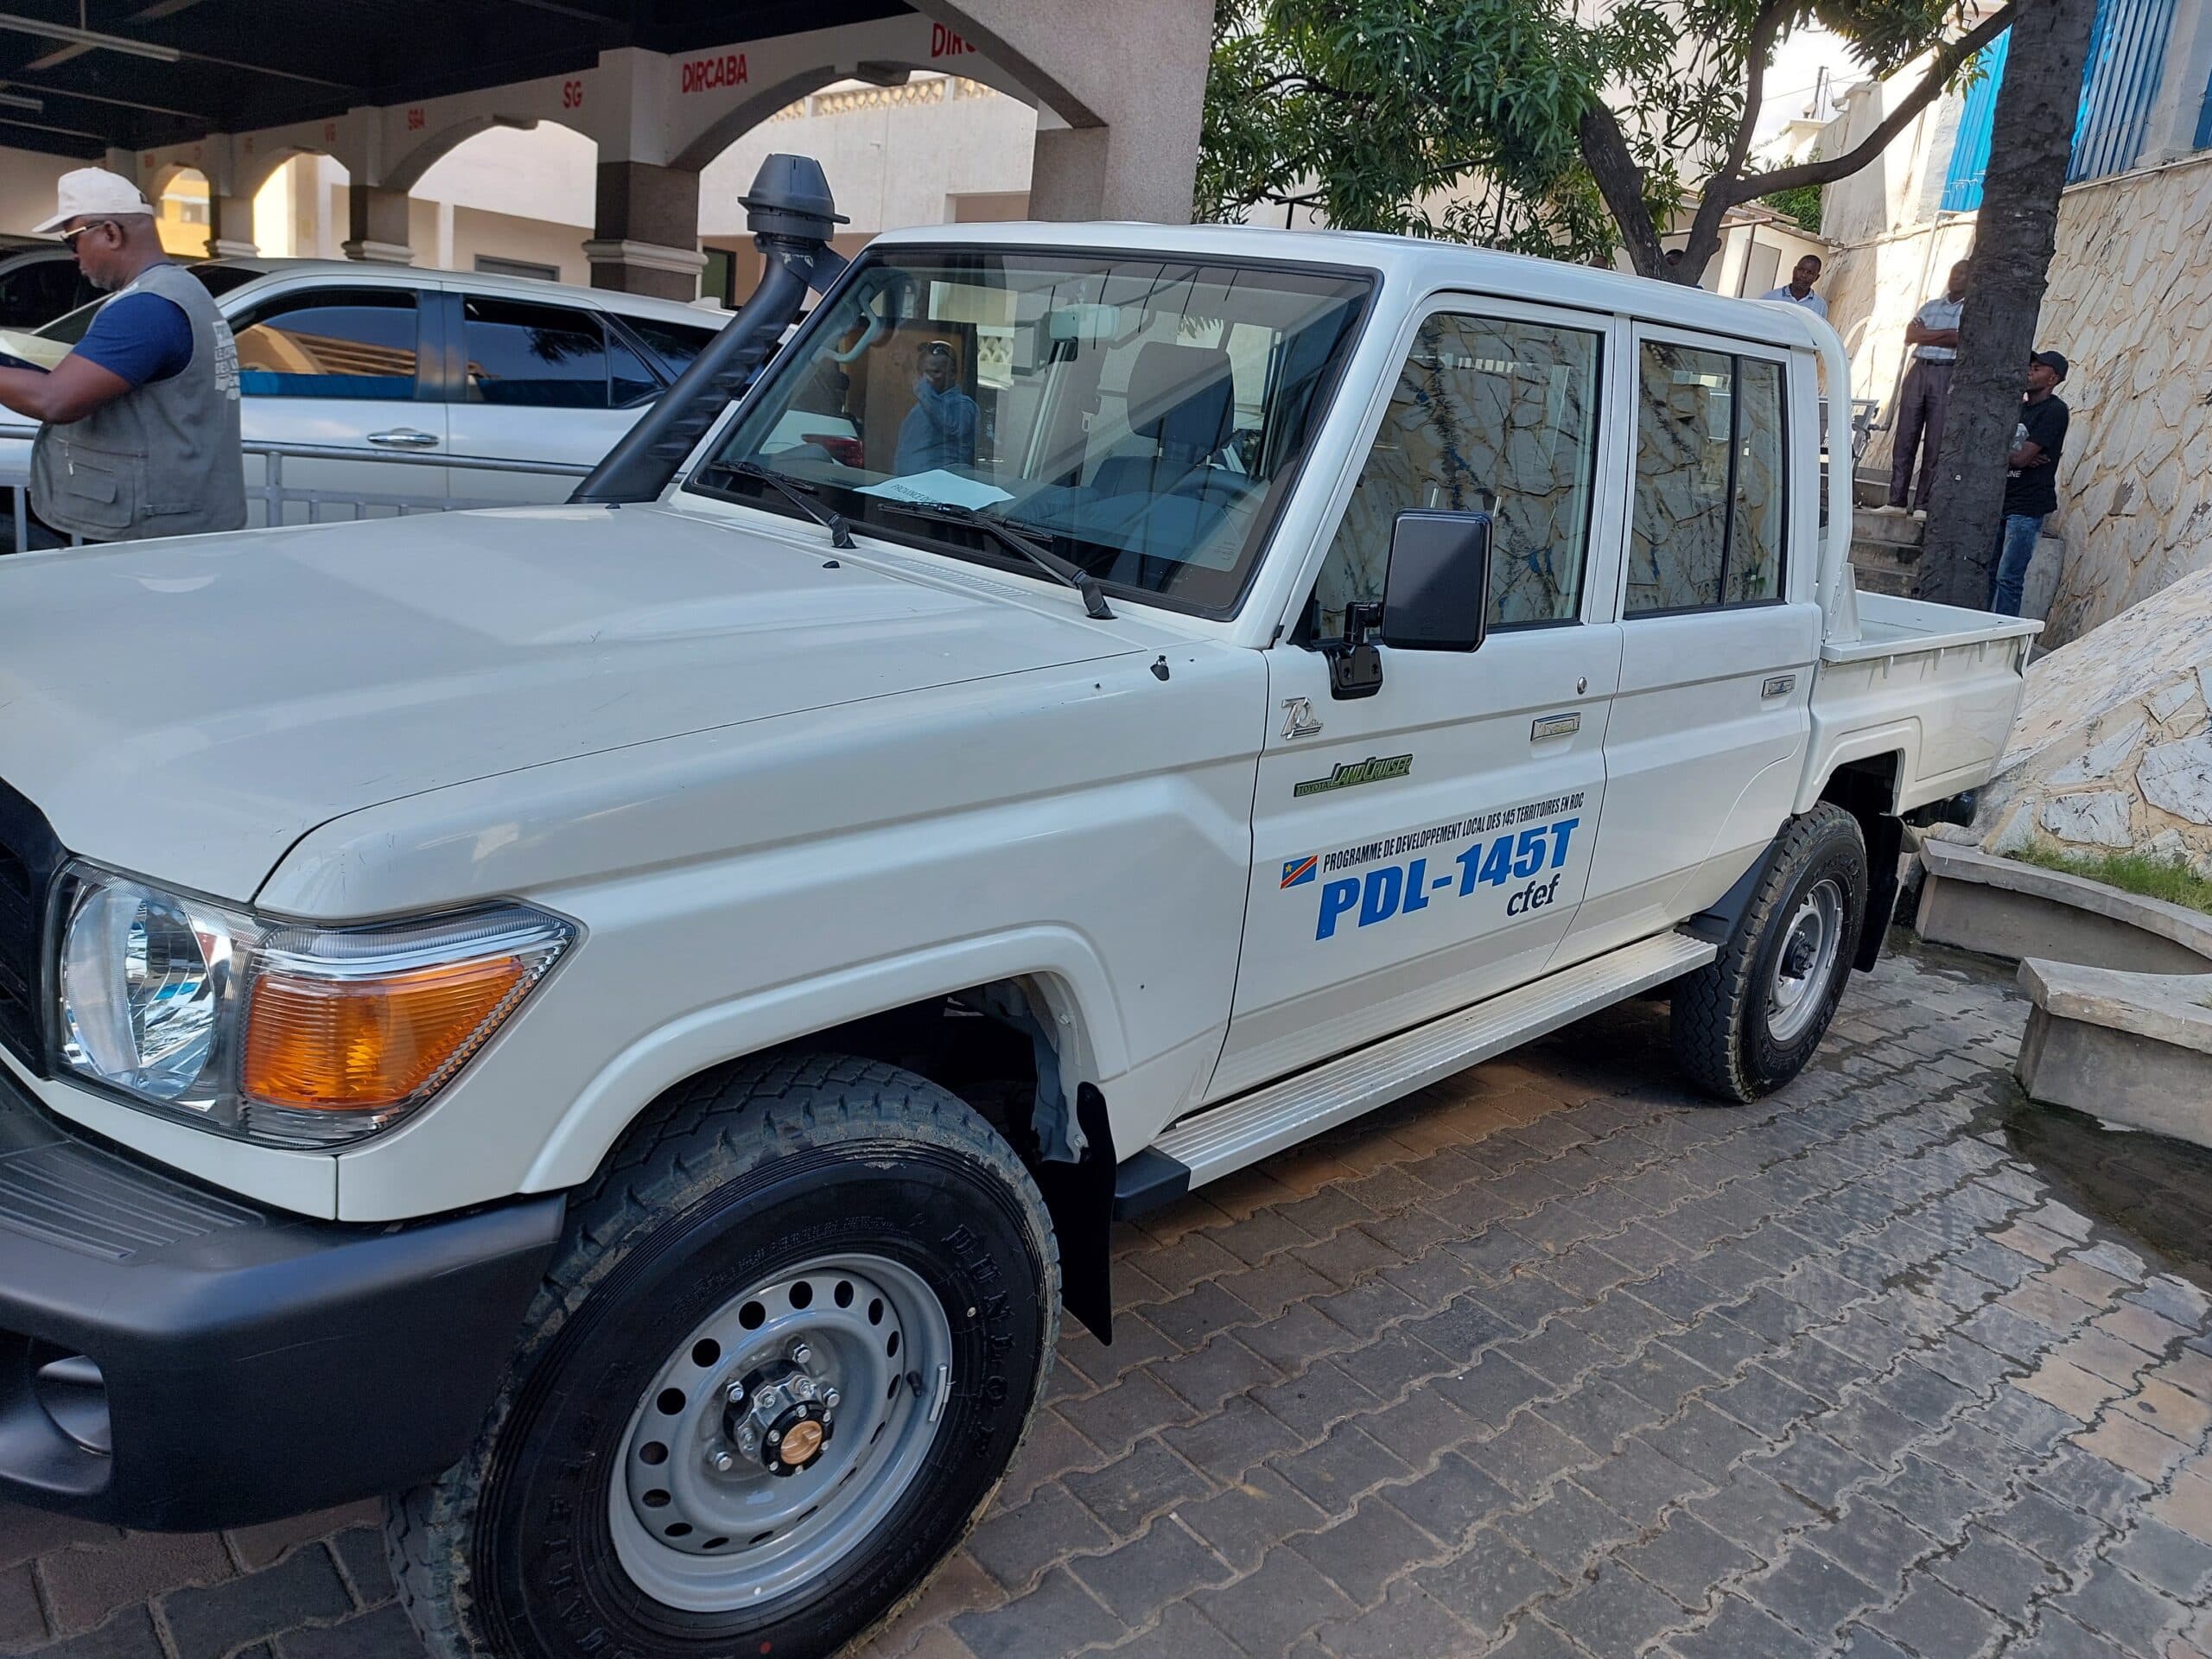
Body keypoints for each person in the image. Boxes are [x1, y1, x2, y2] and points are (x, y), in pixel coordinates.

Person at [0, 168, 243, 543]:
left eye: (72, 240)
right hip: (178, 522)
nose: (74, 258)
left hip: (156, 534)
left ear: (111, 233)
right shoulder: (178, 289)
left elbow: (55, 400)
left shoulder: (147, 308)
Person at [1883, 259, 1969, 518]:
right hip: (1919, 369)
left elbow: (1960, 338)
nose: (1956, 278)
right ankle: (1896, 501)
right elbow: (1910, 336)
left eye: (1963, 274)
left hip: (1947, 372)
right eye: (1954, 273)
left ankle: (1922, 503)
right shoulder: (1931, 305)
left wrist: (1928, 333)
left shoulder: (1973, 309)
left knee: (1936, 439)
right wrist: (1944, 334)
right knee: (1905, 436)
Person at [1989, 350, 2070, 618]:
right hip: (2003, 499)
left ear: (2053, 378)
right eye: (2030, 366)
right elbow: (2016, 456)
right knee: (1988, 574)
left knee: (2008, 578)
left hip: (2027, 506)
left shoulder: (2055, 411)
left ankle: (2000, 636)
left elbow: (2022, 459)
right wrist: (2013, 456)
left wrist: (2017, 456)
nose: (2030, 371)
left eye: (2038, 368)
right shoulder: (2019, 408)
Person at [893, 340, 978, 474]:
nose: (925, 379)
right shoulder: (923, 405)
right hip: (907, 489)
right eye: (922, 373)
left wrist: (911, 375)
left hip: (942, 490)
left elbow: (949, 425)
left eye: (934, 372)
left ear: (952, 374)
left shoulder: (964, 405)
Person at [1761, 254, 1828, 320]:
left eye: (1810, 272)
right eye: (1801, 270)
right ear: (1794, 270)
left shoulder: (1820, 306)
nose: (1804, 275)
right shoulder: (1770, 298)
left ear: (1816, 277)